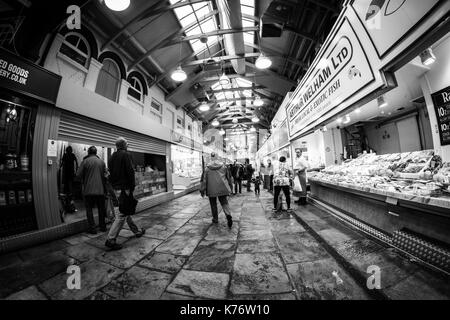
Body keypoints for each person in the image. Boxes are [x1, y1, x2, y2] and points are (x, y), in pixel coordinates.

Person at [105, 137, 145, 250]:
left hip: (115, 188)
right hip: (124, 188)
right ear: (124, 145)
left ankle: (136, 231)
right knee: (122, 214)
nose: (128, 145)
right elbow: (130, 172)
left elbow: (110, 173)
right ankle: (110, 239)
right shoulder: (126, 155)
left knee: (124, 210)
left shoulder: (112, 157)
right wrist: (131, 188)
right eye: (127, 143)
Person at [76, 146, 108, 234]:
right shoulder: (101, 162)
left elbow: (78, 175)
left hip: (88, 190)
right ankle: (103, 227)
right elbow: (106, 175)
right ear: (96, 152)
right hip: (100, 190)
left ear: (88, 152)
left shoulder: (85, 161)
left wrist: (84, 178)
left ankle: (93, 228)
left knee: (89, 209)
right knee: (101, 209)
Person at [200, 152, 233, 229]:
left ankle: (215, 219)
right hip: (222, 188)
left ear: (211, 158)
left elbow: (204, 181)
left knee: (213, 204)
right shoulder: (224, 167)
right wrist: (230, 187)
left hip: (211, 189)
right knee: (224, 202)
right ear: (218, 158)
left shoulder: (207, 168)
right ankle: (228, 214)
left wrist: (202, 190)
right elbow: (228, 178)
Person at [60, 146, 78, 211]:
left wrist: (60, 167)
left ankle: (69, 196)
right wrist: (76, 169)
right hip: (70, 172)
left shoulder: (65, 155)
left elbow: (62, 162)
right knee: (70, 184)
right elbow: (76, 162)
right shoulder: (72, 155)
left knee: (67, 184)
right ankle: (70, 196)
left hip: (67, 172)